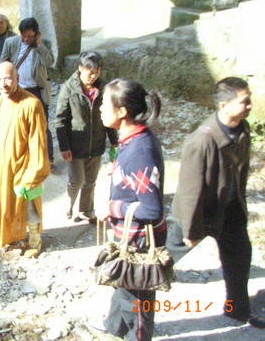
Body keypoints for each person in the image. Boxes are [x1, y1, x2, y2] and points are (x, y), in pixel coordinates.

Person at [172, 78, 264, 328]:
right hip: (198, 212)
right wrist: (191, 231)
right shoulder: (201, 140)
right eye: (244, 101)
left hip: (230, 209)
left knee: (239, 259)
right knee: (164, 258)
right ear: (224, 105)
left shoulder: (243, 129)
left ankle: (237, 311)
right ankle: (129, 306)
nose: (249, 105)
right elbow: (190, 191)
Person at [94, 79, 165, 341]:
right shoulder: (130, 140)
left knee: (137, 300)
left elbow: (152, 209)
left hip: (139, 240)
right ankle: (114, 326)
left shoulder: (140, 151)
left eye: (104, 104)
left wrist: (113, 207)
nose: (100, 109)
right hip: (128, 233)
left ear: (122, 111)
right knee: (123, 283)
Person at [0, 62, 50, 258]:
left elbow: (38, 142)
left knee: (28, 205)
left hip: (23, 165)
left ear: (18, 78)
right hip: (2, 165)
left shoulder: (31, 104)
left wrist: (34, 173)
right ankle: (9, 234)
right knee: (4, 202)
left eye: (8, 79)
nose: (3, 84)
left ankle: (35, 239)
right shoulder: (1, 101)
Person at [55, 51, 118, 222]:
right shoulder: (69, 88)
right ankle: (69, 205)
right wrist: (64, 147)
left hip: (96, 143)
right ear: (80, 68)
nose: (92, 76)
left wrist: (114, 142)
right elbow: (60, 120)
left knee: (90, 181)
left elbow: (109, 116)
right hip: (75, 145)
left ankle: (86, 211)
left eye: (96, 72)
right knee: (76, 180)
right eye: (89, 72)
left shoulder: (104, 89)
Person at [0, 17, 55, 169]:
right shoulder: (11, 43)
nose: (26, 39)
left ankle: (48, 158)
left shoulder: (45, 44)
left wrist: (40, 45)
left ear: (37, 34)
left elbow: (49, 63)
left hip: (37, 89)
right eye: (24, 36)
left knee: (42, 125)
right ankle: (23, 158)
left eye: (30, 36)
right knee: (19, 125)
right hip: (17, 90)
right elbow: (3, 64)